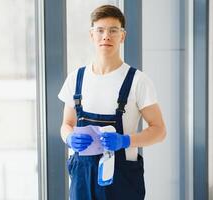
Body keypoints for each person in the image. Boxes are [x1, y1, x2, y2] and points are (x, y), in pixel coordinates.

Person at [58, 4, 166, 200]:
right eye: (100, 30)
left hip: (122, 180)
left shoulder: (138, 81)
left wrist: (125, 140)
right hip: (82, 177)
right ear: (92, 35)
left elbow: (159, 131)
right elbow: (67, 124)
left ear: (122, 36)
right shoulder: (76, 78)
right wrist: (69, 138)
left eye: (113, 30)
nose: (106, 36)